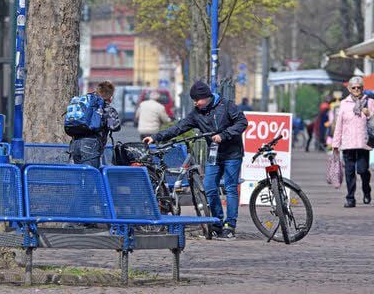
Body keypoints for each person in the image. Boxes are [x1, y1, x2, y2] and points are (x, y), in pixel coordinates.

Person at [143, 80, 247, 239]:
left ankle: (230, 225)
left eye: (197, 99)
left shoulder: (226, 105)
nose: (195, 103)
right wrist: (156, 137)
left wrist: (224, 135)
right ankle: (217, 221)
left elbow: (242, 123)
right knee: (209, 187)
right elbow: (178, 128)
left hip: (232, 153)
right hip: (214, 155)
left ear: (206, 97)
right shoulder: (197, 113)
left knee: (231, 188)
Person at [333, 76, 374, 208]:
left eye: (359, 87)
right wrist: (335, 144)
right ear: (349, 89)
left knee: (362, 170)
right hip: (348, 143)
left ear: (363, 88)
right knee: (349, 172)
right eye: (354, 87)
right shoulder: (344, 104)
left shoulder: (369, 101)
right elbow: (339, 125)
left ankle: (366, 190)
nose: (356, 89)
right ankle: (350, 198)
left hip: (363, 143)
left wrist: (369, 114)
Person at [69, 80, 121, 168]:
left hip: (75, 144)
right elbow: (114, 126)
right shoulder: (106, 108)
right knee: (91, 177)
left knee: (80, 176)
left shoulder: (86, 104)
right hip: (90, 146)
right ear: (111, 97)